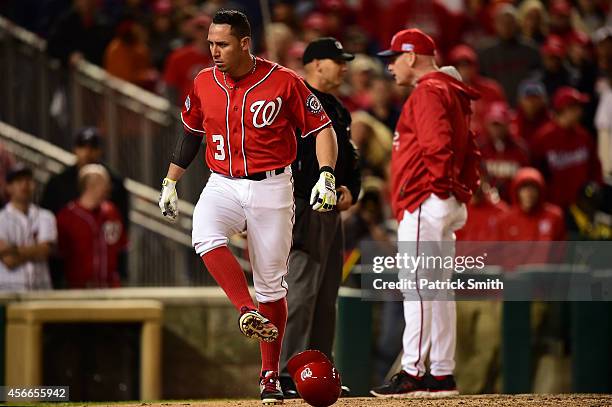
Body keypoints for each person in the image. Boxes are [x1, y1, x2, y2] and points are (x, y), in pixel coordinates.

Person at [157, 10, 338, 406]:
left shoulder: (284, 80)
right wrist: (171, 180)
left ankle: (269, 377)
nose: (214, 52)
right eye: (210, 44)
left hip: (272, 187)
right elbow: (190, 133)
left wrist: (326, 174)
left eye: (221, 44)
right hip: (221, 181)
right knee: (204, 235)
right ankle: (244, 310)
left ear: (244, 43)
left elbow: (321, 127)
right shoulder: (204, 81)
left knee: (272, 285)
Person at [370, 28, 480, 398]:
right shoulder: (451, 90)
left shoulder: (429, 91)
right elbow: (472, 151)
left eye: (393, 59)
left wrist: (438, 189)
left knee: (417, 287)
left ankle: (414, 371)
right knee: (437, 290)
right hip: (440, 201)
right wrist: (456, 192)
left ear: (412, 57)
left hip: (425, 201)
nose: (390, 68)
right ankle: (442, 372)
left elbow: (438, 147)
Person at [278, 37, 361, 398]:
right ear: (314, 64)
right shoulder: (292, 99)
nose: (344, 67)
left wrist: (350, 191)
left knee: (327, 297)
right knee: (299, 293)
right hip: (301, 206)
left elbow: (352, 161)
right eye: (336, 60)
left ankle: (317, 374)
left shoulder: (338, 110)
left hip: (331, 211)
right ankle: (283, 374)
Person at [531, 86, 603, 211]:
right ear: (565, 109)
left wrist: (597, 186)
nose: (581, 111)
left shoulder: (584, 136)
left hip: (583, 205)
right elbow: (536, 174)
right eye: (577, 107)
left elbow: (595, 166)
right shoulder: (543, 138)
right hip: (554, 207)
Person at [41, 127, 129, 228]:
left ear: (100, 150)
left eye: (93, 147)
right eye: (82, 146)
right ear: (75, 149)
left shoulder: (114, 181)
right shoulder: (58, 182)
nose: (88, 152)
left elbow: (121, 220)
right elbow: (46, 215)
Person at [56, 164, 127, 288]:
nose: (109, 188)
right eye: (104, 183)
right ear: (90, 185)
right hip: (79, 289)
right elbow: (60, 254)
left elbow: (121, 247)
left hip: (110, 287)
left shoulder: (112, 212)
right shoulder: (67, 216)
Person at [0, 165, 57, 291]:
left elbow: (45, 251)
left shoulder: (46, 216)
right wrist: (35, 249)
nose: (24, 185)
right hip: (8, 291)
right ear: (9, 188)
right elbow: (9, 261)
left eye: (28, 180)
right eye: (19, 181)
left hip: (41, 290)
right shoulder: (1, 219)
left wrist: (12, 248)